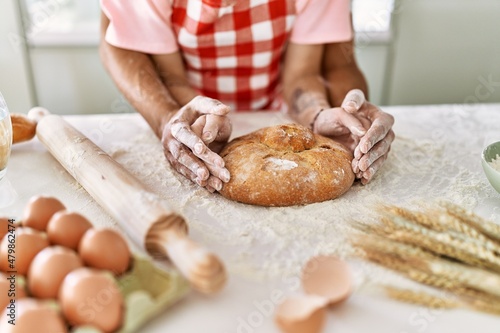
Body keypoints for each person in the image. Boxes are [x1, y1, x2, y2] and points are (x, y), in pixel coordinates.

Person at [99, 0, 395, 192]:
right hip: (190, 112)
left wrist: (321, 114)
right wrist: (177, 120)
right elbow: (171, 77)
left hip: (281, 118)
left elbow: (302, 76)